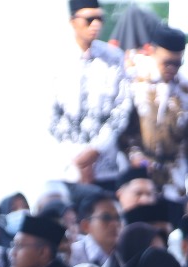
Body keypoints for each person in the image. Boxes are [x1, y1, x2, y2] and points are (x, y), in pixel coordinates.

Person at [50, 1, 130, 186]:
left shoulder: (114, 57)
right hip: (65, 169)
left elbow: (122, 108)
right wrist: (77, 159)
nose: (96, 24)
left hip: (105, 168)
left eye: (100, 19)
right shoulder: (55, 59)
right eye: (89, 19)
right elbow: (49, 113)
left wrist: (96, 150)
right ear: (73, 21)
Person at [120, 24, 188, 205]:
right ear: (151, 51)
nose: (172, 68)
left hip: (173, 178)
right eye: (167, 62)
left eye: (177, 64)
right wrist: (135, 156)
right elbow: (121, 129)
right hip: (136, 175)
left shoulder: (186, 90)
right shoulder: (133, 81)